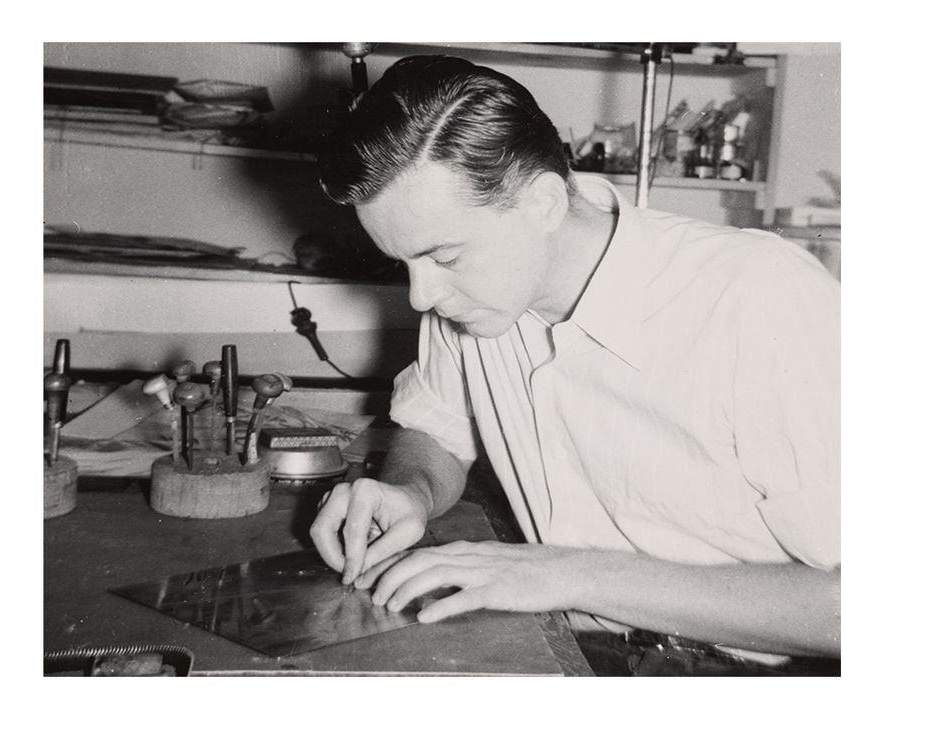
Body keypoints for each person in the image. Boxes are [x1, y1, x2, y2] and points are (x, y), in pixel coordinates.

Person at [310, 55, 840, 674]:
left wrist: (571, 575)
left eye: (444, 256)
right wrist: (411, 490)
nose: (421, 296)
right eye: (404, 265)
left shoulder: (759, 299)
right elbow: (435, 429)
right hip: (568, 643)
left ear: (542, 201)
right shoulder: (471, 301)